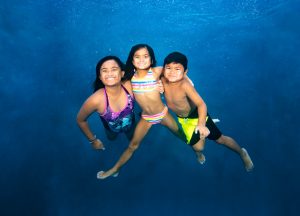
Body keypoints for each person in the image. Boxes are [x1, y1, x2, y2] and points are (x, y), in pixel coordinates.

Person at [97, 44, 186, 179]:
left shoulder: (156, 72)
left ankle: (197, 150)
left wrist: (187, 83)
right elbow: (113, 82)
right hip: (146, 117)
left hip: (163, 114)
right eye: (137, 57)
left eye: (145, 56)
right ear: (132, 61)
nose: (141, 60)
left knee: (181, 134)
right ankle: (114, 169)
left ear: (151, 60)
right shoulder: (129, 79)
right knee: (132, 146)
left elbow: (177, 73)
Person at [161, 51, 254, 172]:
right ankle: (199, 153)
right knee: (198, 148)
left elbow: (201, 104)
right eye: (168, 68)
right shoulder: (162, 79)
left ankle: (242, 152)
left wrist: (201, 124)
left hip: (196, 116)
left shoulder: (184, 85)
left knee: (220, 140)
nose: (172, 72)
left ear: (185, 72)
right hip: (183, 120)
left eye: (177, 69)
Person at [77, 56, 135, 156]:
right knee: (111, 138)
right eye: (104, 70)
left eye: (114, 69)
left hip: (131, 124)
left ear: (122, 73)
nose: (109, 74)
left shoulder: (129, 85)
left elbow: (148, 77)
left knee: (132, 138)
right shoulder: (96, 100)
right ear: (100, 77)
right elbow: (80, 120)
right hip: (111, 129)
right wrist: (93, 140)